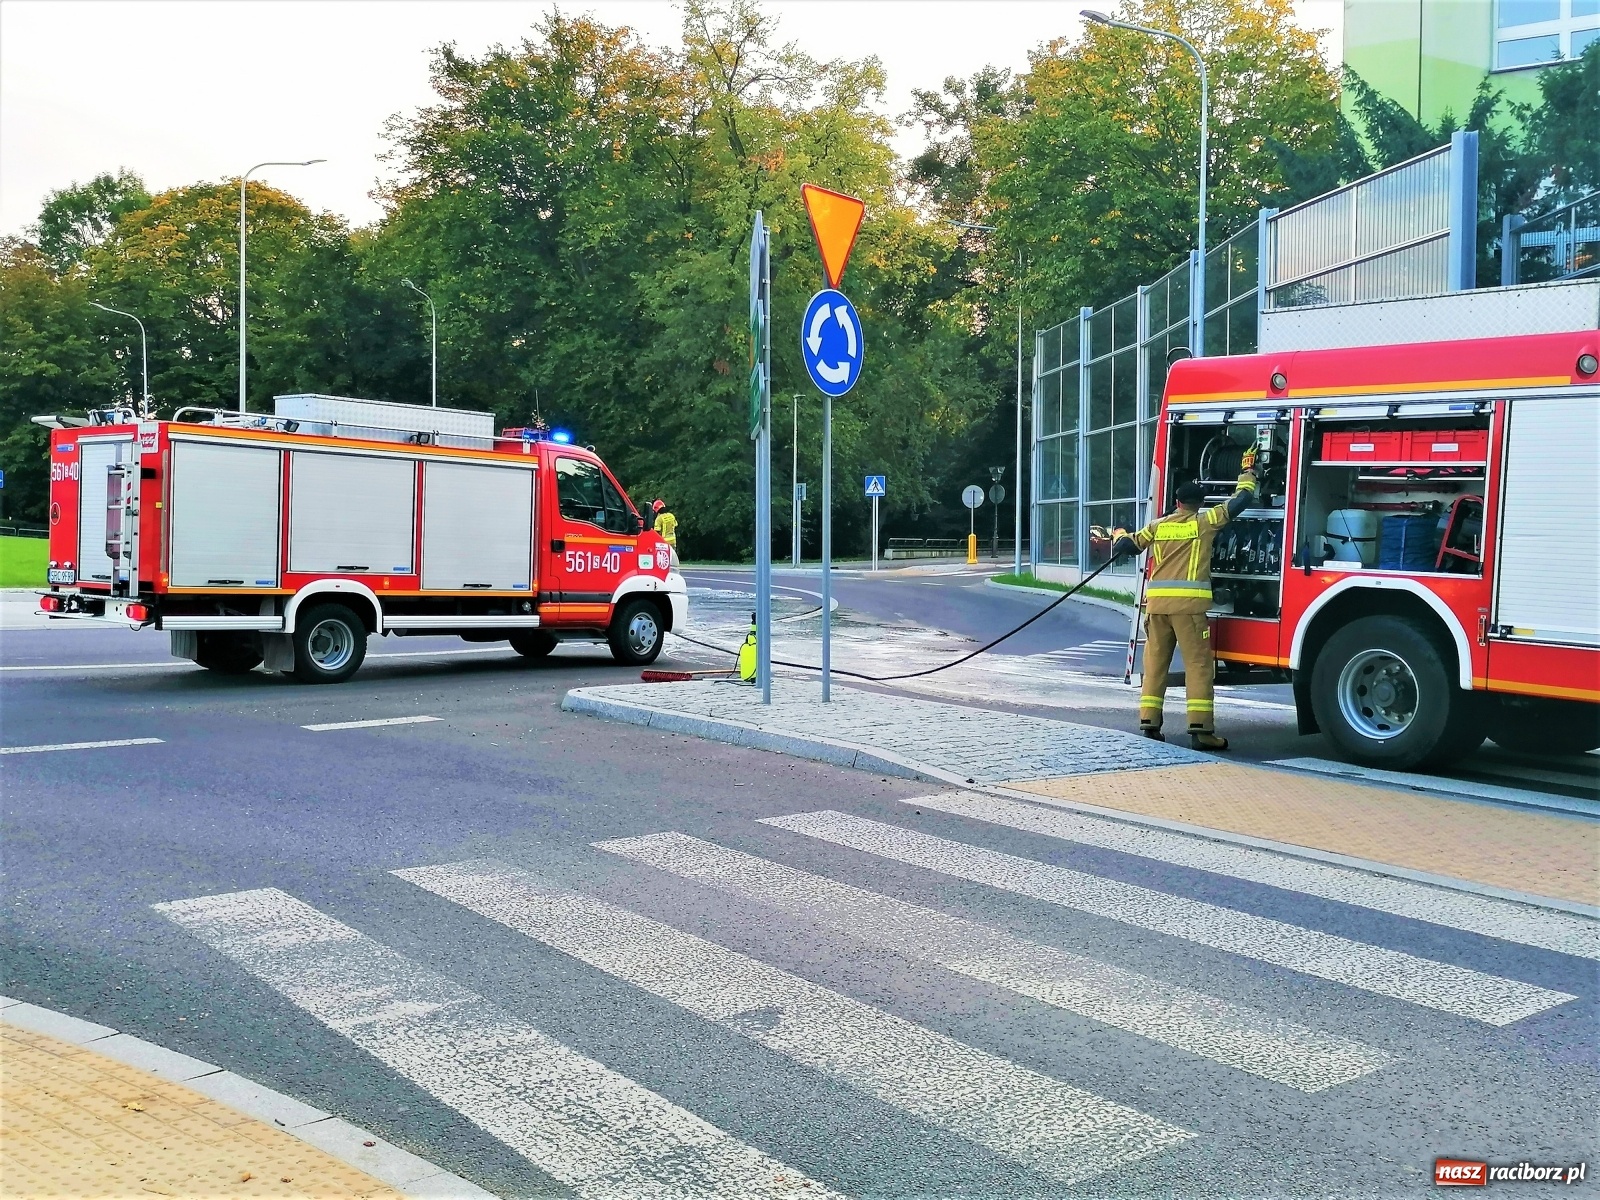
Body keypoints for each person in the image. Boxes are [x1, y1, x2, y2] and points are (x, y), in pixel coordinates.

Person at [1112, 447, 1257, 751]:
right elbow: (1241, 501)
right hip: (1189, 611)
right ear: (1199, 503)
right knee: (1198, 666)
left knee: (1155, 665)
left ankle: (1150, 724)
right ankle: (1201, 731)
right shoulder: (1205, 522)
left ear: (1176, 502)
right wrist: (1248, 472)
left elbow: (1130, 546)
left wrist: (1117, 534)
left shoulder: (1157, 526)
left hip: (1157, 609)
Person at [652, 499, 679, 569]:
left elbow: (657, 532)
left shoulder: (659, 519)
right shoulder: (671, 516)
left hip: (664, 542)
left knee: (663, 562)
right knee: (672, 560)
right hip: (673, 540)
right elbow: (675, 525)